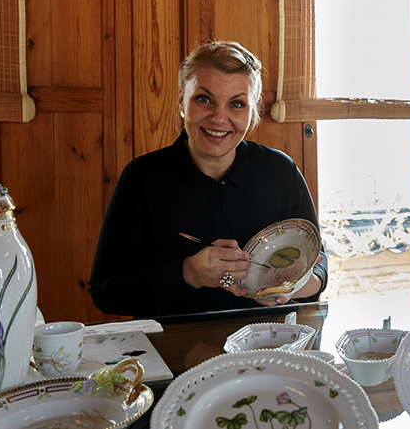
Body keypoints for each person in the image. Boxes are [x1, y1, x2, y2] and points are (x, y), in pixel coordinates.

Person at [89, 41, 328, 317]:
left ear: (251, 113)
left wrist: (289, 287)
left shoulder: (281, 171)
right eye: (204, 99)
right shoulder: (142, 178)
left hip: (267, 343)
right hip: (172, 350)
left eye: (236, 104)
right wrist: (189, 273)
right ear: (181, 101)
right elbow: (105, 292)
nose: (218, 117)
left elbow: (319, 264)